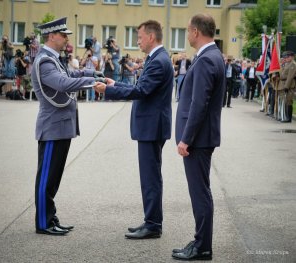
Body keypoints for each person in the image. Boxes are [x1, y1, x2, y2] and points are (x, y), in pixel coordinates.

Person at [95, 20, 174, 239]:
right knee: (150, 177)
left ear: (151, 37)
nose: (137, 41)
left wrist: (108, 91)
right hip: (151, 126)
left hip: (152, 127)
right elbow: (140, 88)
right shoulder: (156, 58)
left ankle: (153, 225)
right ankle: (151, 221)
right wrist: (115, 85)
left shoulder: (158, 61)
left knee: (150, 178)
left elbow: (141, 91)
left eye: (139, 37)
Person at [31, 17, 97, 236]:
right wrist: (91, 83)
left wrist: (92, 74)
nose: (67, 38)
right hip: (52, 127)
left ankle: (50, 216)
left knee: (53, 177)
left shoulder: (54, 59)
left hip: (60, 126)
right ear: (52, 36)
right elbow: (62, 83)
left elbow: (70, 75)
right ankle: (43, 222)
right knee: (47, 178)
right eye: (63, 35)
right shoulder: (45, 61)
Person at [173, 14, 225, 261]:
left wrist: (186, 139)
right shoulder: (212, 55)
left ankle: (203, 246)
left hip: (198, 139)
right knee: (201, 191)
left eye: (187, 30)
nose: (187, 34)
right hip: (203, 137)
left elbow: (198, 104)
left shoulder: (206, 60)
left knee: (200, 193)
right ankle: (200, 241)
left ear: (195, 31)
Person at [278, 51, 296, 123]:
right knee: (285, 101)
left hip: (290, 85)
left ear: (292, 57)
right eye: (286, 57)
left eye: (288, 57)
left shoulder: (293, 64)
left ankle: (289, 118)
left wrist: (286, 86)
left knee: (288, 101)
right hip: (285, 83)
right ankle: (285, 116)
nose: (286, 58)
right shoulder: (287, 64)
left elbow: (290, 76)